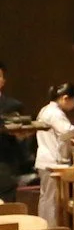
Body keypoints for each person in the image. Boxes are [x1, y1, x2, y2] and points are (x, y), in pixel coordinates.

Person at [32, 83, 74, 228]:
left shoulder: (46, 110)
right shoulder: (55, 113)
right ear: (65, 98)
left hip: (46, 159)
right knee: (51, 200)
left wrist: (71, 140)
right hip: (51, 161)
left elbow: (58, 135)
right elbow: (67, 131)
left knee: (47, 198)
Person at [0, 58, 28, 206]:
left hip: (5, 163)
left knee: (6, 208)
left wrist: (21, 137)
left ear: (3, 81)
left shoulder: (13, 105)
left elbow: (21, 135)